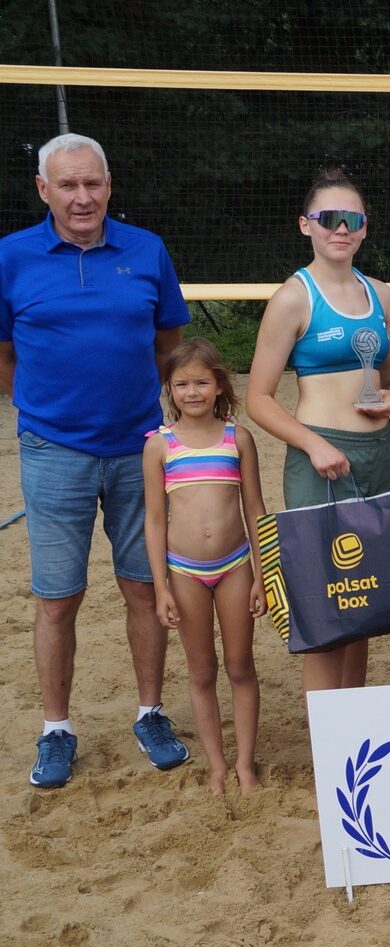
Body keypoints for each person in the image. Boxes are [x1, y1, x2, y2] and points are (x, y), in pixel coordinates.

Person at [0, 133, 192, 788]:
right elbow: (3, 353)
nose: (82, 197)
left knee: (144, 587)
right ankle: (56, 728)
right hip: (53, 450)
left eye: (93, 183)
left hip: (139, 447)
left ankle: (150, 713)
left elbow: (168, 344)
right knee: (58, 597)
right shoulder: (12, 257)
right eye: (68, 185)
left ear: (109, 185)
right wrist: (43, 408)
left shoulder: (146, 250)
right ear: (43, 189)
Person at [246, 169, 390, 694]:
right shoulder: (293, 298)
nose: (341, 228)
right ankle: (327, 729)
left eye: (352, 219)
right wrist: (314, 444)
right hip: (318, 460)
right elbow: (258, 399)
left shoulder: (381, 295)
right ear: (306, 225)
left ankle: (352, 723)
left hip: (375, 452)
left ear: (364, 228)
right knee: (324, 606)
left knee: (364, 599)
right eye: (329, 218)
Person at [142, 340, 266, 794]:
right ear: (169, 389)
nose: (192, 392)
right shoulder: (160, 445)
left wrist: (262, 576)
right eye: (181, 384)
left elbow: (255, 510)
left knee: (240, 665)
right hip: (184, 572)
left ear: (219, 386)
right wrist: (161, 587)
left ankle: (245, 763)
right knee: (201, 670)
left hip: (236, 566)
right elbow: (155, 521)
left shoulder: (238, 438)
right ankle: (217, 765)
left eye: (201, 382)